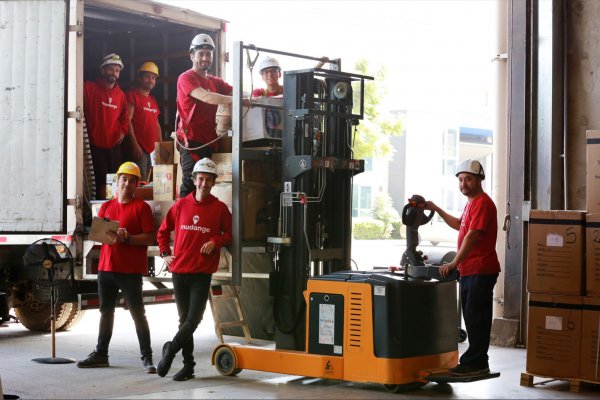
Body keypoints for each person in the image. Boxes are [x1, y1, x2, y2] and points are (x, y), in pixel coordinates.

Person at [156, 157, 232, 381]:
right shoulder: (180, 205)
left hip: (201, 273)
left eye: (208, 180)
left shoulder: (219, 208)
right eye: (201, 179)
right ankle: (188, 366)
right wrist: (164, 253)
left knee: (194, 319)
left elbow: (229, 234)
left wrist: (216, 241)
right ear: (194, 180)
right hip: (179, 271)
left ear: (213, 182)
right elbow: (162, 231)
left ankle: (170, 350)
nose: (204, 183)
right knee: (184, 320)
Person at [77, 162, 157, 373]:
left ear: (137, 185)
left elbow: (150, 237)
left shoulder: (142, 207)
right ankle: (101, 354)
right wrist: (108, 234)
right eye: (124, 179)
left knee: (138, 314)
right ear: (117, 181)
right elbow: (97, 235)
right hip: (106, 268)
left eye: (132, 181)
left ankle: (147, 358)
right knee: (105, 312)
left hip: (130, 271)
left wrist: (128, 237)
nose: (127, 184)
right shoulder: (106, 207)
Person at [424, 159, 500, 376]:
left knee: (477, 317)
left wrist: (454, 262)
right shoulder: (471, 204)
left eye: (468, 179)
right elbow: (460, 225)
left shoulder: (484, 203)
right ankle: (476, 360)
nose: (464, 184)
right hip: (470, 269)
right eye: (460, 180)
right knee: (471, 315)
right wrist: (437, 209)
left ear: (479, 180)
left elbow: (472, 236)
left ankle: (476, 362)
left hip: (480, 268)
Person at [176, 33, 236, 198]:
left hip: (208, 141)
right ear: (192, 55)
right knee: (190, 184)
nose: (205, 57)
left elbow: (234, 91)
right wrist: (237, 100)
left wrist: (250, 97)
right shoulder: (186, 78)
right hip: (191, 143)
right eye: (200, 53)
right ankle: (181, 223)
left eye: (208, 54)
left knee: (204, 188)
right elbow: (206, 97)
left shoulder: (215, 82)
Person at [84, 53, 129, 200]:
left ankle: (112, 210)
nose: (114, 73)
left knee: (114, 180)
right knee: (100, 181)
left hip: (114, 146)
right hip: (95, 145)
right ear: (102, 70)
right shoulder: (88, 88)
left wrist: (122, 131)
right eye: (111, 69)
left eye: (117, 70)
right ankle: (101, 213)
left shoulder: (120, 95)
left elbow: (125, 117)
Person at [125, 61, 162, 181]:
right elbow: (128, 121)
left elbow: (157, 126)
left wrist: (161, 146)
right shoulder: (132, 96)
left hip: (153, 149)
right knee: (140, 182)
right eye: (147, 76)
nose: (151, 80)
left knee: (153, 182)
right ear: (140, 78)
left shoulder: (153, 100)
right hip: (140, 148)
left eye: (153, 78)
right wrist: (134, 145)